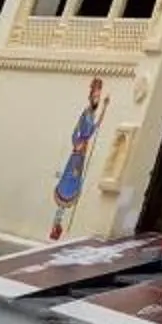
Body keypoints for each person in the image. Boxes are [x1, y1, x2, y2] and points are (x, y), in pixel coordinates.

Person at [51, 78, 104, 240]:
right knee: (69, 180)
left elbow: (94, 128)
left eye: (98, 98)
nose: (96, 100)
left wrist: (105, 108)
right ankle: (56, 224)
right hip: (77, 151)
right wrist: (77, 144)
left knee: (73, 181)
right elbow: (76, 130)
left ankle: (58, 224)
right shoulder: (86, 113)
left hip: (81, 153)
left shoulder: (92, 115)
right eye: (95, 97)